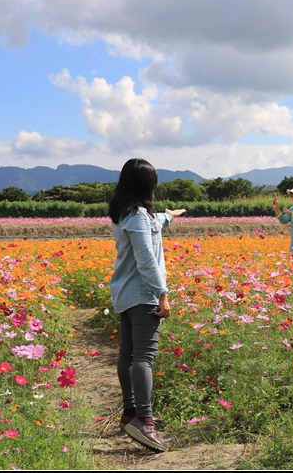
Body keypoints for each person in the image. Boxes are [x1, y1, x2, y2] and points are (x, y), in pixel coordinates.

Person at [108, 158, 185, 453]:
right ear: (146, 186)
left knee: (127, 354)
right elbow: (146, 259)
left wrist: (170, 215)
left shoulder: (123, 213)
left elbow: (155, 223)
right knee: (143, 357)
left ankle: (129, 414)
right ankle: (144, 420)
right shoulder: (138, 215)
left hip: (125, 293)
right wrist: (162, 293)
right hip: (143, 293)